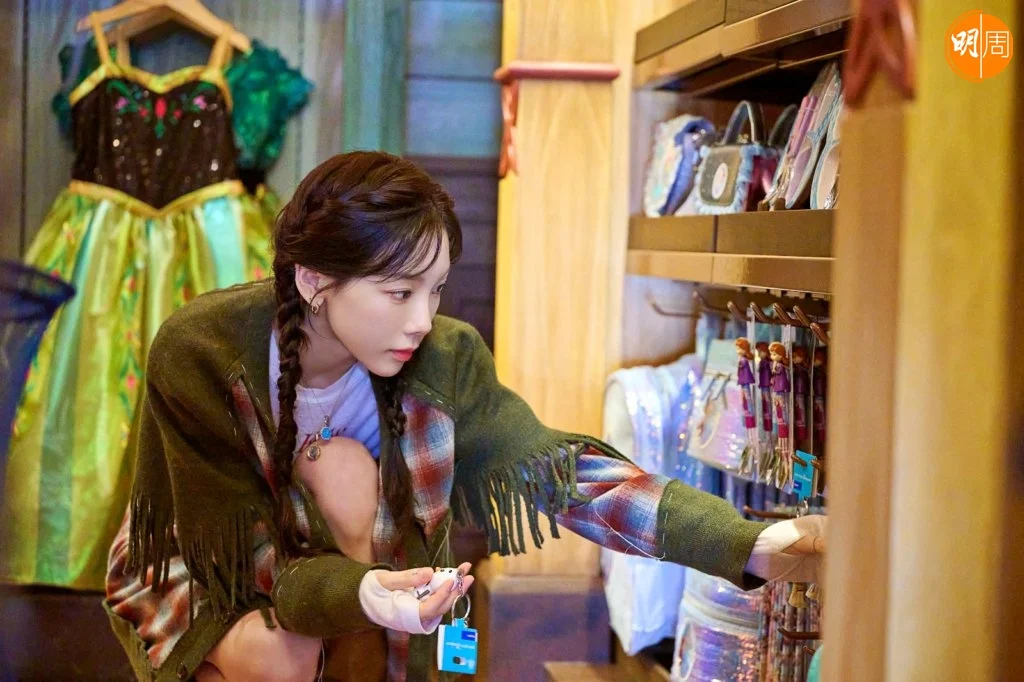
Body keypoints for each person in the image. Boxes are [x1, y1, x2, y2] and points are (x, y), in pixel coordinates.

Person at [104, 152, 825, 682]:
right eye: (399, 293)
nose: (423, 319)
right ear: (315, 280)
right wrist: (363, 591)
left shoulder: (443, 357)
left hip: (357, 569)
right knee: (278, 655)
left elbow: (560, 473)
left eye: (436, 290)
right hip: (213, 563)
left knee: (346, 476)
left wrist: (745, 544)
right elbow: (244, 560)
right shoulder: (202, 351)